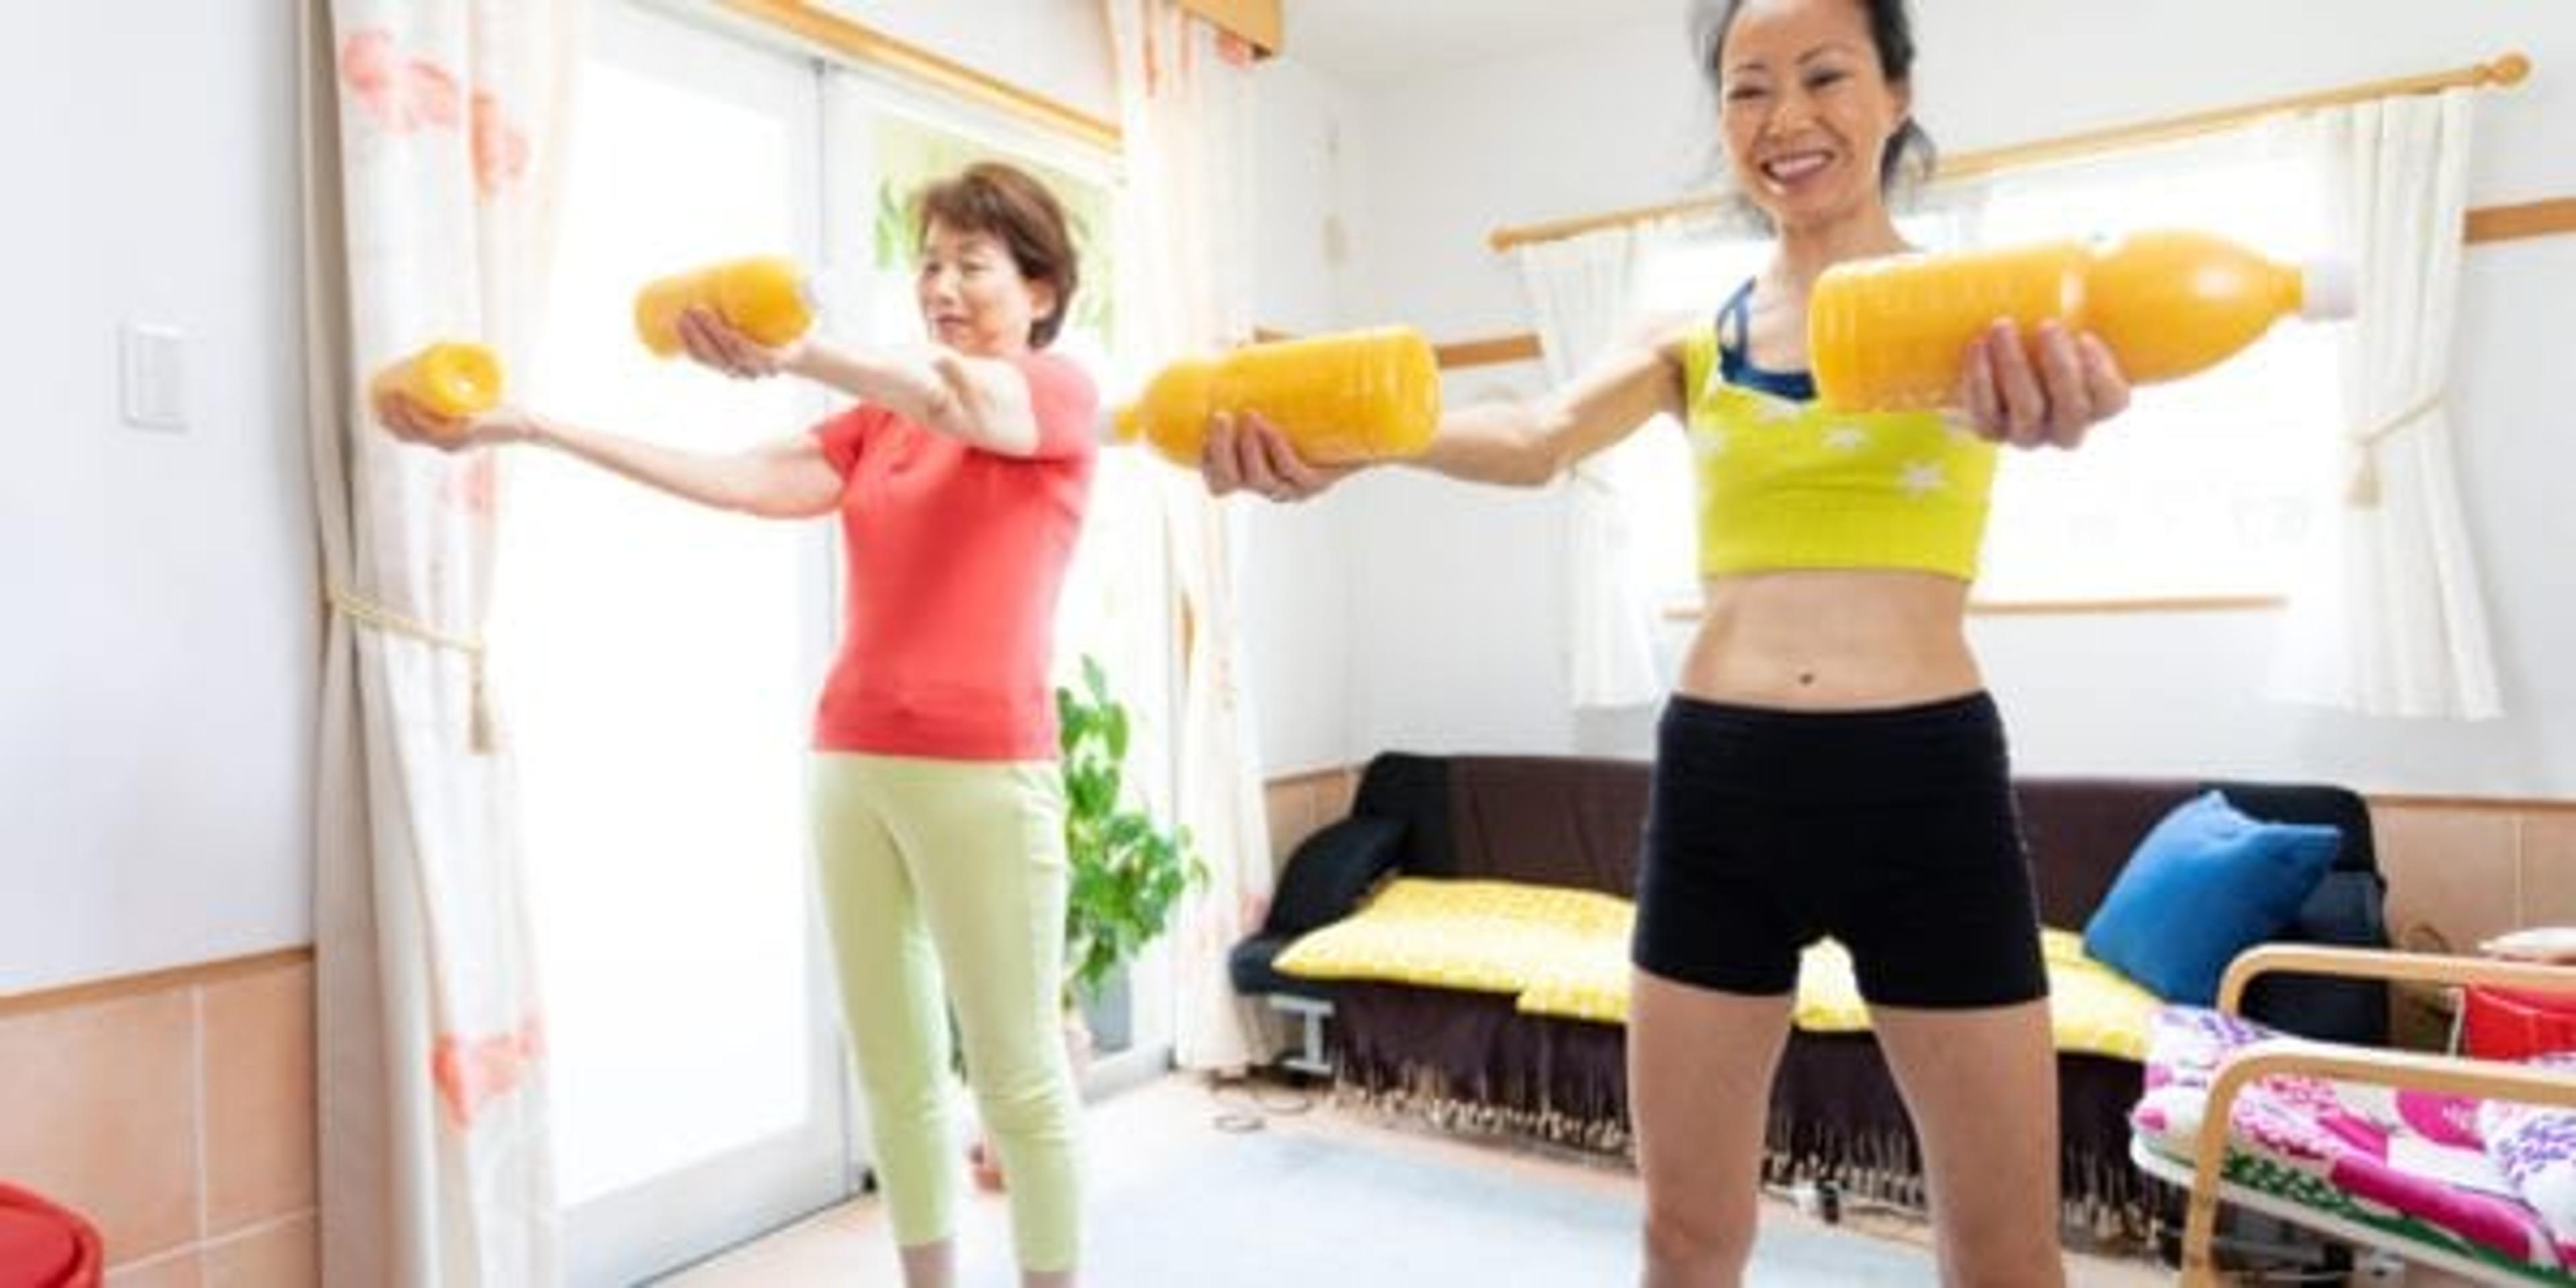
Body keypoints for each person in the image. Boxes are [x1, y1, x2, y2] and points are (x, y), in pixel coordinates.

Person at [1197, 2, 2133, 1285]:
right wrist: (1351, 433)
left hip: (1926, 788)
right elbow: (1532, 438)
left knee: (2005, 1250)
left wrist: (2065, 397)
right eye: (1748, 90)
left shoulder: (1976, 312)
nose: (1786, 119)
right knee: (1687, 1232)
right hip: (1721, 791)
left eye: (1824, 76)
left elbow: (2100, 360)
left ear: (1898, 93)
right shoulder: (1697, 336)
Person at [379, 160, 1097, 1288]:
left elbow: (962, 400)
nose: (943, 286)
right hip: (851, 761)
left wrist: (795, 346)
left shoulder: (1053, 395)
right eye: (929, 264)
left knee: (1015, 1079)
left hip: (986, 773)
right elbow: (741, 479)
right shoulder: (879, 424)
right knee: (896, 1068)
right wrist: (531, 427)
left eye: (973, 264)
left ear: (1042, 291)